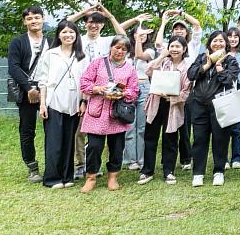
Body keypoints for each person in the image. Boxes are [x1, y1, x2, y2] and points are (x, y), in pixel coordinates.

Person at [67, 3, 127, 179]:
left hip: (105, 91)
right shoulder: (78, 39)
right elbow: (65, 23)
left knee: (105, 128)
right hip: (82, 87)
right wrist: (84, 12)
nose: (94, 25)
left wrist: (109, 15)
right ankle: (80, 164)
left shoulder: (107, 41)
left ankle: (99, 165)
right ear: (85, 23)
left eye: (98, 22)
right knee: (80, 129)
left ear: (102, 25)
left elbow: (122, 35)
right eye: (90, 22)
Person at [78, 35, 139, 193]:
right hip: (97, 112)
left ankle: (113, 177)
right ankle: (91, 177)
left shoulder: (130, 69)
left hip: (116, 114)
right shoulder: (98, 63)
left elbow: (134, 91)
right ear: (111, 47)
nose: (120, 51)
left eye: (124, 49)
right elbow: (84, 82)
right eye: (117, 47)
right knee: (94, 147)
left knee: (117, 147)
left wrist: (124, 93)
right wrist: (98, 89)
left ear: (127, 52)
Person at [36, 20, 87, 188]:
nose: (68, 35)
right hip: (54, 101)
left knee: (69, 142)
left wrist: (84, 101)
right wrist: (42, 104)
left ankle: (67, 177)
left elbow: (86, 81)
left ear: (76, 35)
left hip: (74, 103)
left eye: (72, 32)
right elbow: (43, 80)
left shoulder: (82, 56)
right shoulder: (51, 54)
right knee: (54, 142)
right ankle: (52, 179)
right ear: (58, 35)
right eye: (64, 32)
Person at [188, 31, 240, 187]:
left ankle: (219, 171)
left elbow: (229, 80)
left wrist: (219, 68)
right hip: (199, 104)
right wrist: (206, 65)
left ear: (226, 44)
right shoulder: (201, 58)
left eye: (221, 41)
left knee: (220, 139)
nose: (218, 44)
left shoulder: (231, 60)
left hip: (220, 105)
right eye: (215, 41)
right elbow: (191, 75)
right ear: (209, 43)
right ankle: (198, 173)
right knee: (199, 139)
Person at [138, 36, 191, 186]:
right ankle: (147, 171)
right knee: (150, 137)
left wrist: (171, 98)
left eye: (178, 47)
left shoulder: (186, 67)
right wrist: (162, 55)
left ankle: (169, 171)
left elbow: (186, 92)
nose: (174, 49)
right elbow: (148, 70)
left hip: (173, 106)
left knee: (171, 139)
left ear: (184, 49)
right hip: (156, 103)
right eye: (172, 46)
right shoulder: (164, 62)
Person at [7, 5, 51, 183]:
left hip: (48, 89)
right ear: (25, 21)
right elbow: (14, 67)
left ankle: (54, 165)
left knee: (53, 128)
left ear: (43, 19)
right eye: (30, 18)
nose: (34, 21)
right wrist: (29, 89)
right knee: (27, 129)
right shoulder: (18, 42)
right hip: (27, 91)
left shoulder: (52, 41)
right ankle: (32, 167)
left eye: (37, 18)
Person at [155, 9, 203, 171]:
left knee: (184, 125)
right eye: (176, 29)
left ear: (186, 32)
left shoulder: (192, 45)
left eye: (182, 28)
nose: (179, 30)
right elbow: (158, 44)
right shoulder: (171, 48)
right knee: (169, 126)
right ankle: (168, 160)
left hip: (187, 91)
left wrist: (181, 13)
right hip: (167, 91)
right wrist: (163, 23)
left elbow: (196, 25)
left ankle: (186, 158)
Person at [123, 22, 156, 171]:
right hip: (128, 89)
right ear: (133, 35)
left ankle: (141, 159)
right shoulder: (125, 50)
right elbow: (120, 29)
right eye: (138, 33)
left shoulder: (150, 50)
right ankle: (131, 160)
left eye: (144, 34)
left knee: (142, 127)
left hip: (144, 87)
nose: (141, 36)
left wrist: (138, 40)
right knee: (129, 125)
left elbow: (140, 55)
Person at [226, 27, 240, 169]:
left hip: (237, 89)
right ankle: (224, 159)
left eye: (236, 37)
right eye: (230, 36)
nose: (233, 39)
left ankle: (236, 158)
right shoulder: (221, 54)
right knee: (223, 127)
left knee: (236, 128)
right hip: (222, 91)